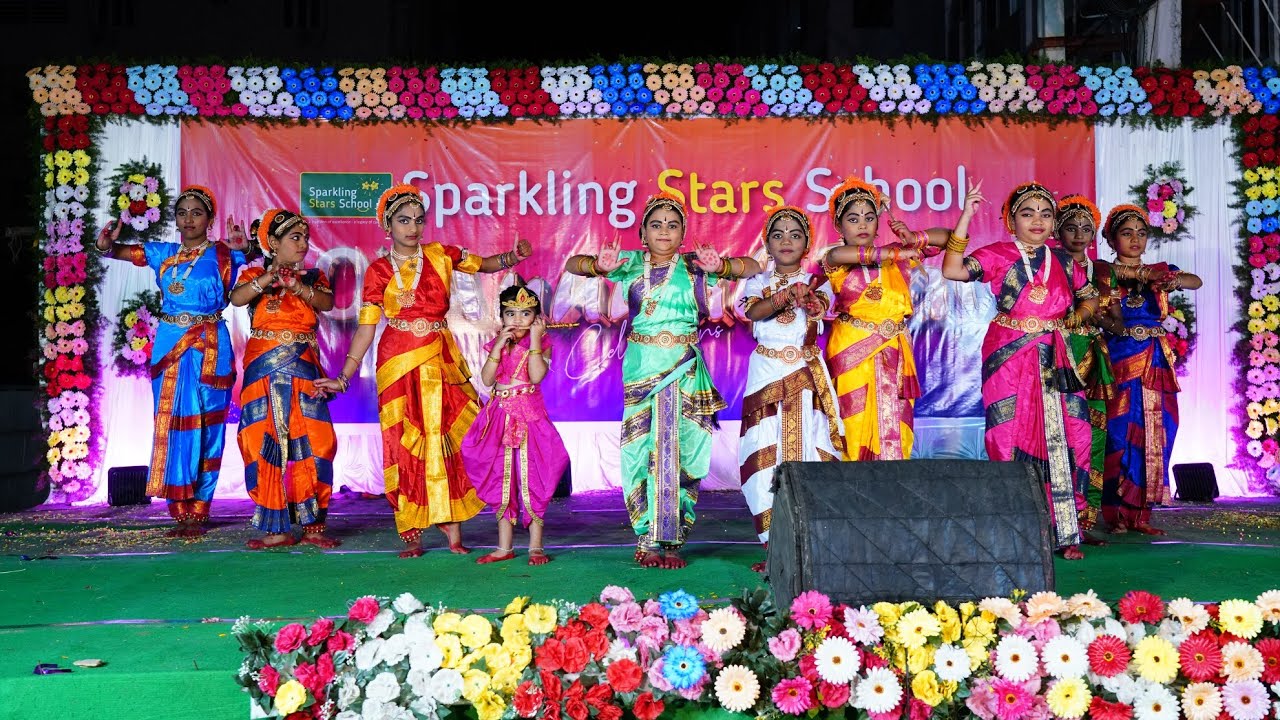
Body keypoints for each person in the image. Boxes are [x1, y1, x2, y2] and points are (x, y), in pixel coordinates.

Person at [316, 184, 531, 558]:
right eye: (403, 221)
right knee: (404, 443)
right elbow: (367, 327)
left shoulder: (442, 255)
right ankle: (411, 529)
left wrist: (512, 256)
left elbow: (483, 264)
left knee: (450, 437)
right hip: (398, 365)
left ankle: (453, 527)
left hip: (440, 358)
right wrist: (344, 376)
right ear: (388, 226)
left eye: (418, 220)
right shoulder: (379, 272)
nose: (413, 228)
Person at [563, 191, 763, 569]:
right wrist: (599, 266)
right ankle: (647, 536)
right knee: (640, 450)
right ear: (643, 232)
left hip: (684, 367)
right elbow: (574, 264)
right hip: (642, 369)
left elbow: (751, 267)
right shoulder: (630, 262)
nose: (664, 232)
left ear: (683, 232)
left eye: (673, 225)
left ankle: (671, 538)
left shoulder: (695, 264)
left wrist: (720, 265)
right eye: (656, 225)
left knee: (683, 450)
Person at [941, 181, 1099, 560]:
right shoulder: (997, 253)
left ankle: (1065, 528)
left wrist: (1077, 318)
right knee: (1008, 434)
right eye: (1028, 213)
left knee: (1071, 434)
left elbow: (1089, 295)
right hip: (1009, 354)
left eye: (1046, 214)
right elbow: (951, 270)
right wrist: (965, 215)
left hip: (1055, 354)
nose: (1038, 221)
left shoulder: (1064, 260)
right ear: (1011, 220)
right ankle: (1016, 528)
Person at [95, 185, 247, 537]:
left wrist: (246, 248)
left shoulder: (224, 254)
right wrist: (105, 244)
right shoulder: (161, 252)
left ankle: (201, 504)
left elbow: (255, 258)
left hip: (210, 343)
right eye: (182, 212)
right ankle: (177, 506)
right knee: (172, 418)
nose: (189, 219)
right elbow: (118, 251)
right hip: (170, 341)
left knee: (208, 422)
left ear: (209, 219)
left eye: (197, 212)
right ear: (175, 219)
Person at [821, 175, 980, 460]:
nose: (862, 224)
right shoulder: (836, 257)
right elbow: (860, 255)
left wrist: (915, 238)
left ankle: (893, 490)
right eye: (853, 219)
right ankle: (850, 493)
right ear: (838, 225)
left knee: (897, 421)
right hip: (852, 350)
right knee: (853, 421)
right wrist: (902, 250)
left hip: (895, 350)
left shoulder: (900, 254)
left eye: (869, 217)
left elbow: (949, 240)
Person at [738, 205, 844, 573]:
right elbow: (754, 313)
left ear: (807, 245)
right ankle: (772, 547)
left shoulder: (820, 283)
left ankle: (808, 545)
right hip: (766, 372)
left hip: (805, 371)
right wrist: (786, 295)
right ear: (766, 243)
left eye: (795, 235)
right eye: (778, 234)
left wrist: (807, 296)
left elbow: (822, 307)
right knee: (763, 450)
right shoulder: (756, 282)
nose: (786, 241)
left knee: (809, 450)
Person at [229, 209, 340, 550]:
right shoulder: (253, 274)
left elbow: (327, 302)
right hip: (263, 369)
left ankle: (313, 525)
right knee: (260, 442)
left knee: (317, 443)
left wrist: (297, 285)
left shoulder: (314, 275)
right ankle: (275, 527)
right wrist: (269, 277)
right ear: (273, 243)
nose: (304, 244)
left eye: (305, 238)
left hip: (304, 367)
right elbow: (236, 298)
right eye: (295, 238)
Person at [1094, 204, 1202, 535]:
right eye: (1127, 233)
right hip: (1119, 360)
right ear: (1112, 239)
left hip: (1155, 361)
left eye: (1141, 233)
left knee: (1159, 430)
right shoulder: (1102, 270)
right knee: (1118, 433)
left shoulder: (1160, 269)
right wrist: (1148, 276)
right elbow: (1119, 277)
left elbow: (1194, 281)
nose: (1135, 239)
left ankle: (1141, 514)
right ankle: (1113, 515)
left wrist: (1171, 280)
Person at [461, 283, 569, 566]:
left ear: (536, 318)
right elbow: (486, 380)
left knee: (531, 476)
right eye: (511, 314)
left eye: (525, 313)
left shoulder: (542, 344)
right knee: (501, 479)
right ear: (502, 317)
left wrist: (535, 340)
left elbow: (535, 377)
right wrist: (497, 347)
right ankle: (504, 547)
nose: (518, 320)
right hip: (497, 417)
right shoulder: (498, 344)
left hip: (529, 416)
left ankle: (535, 546)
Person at [1055, 195, 1114, 546]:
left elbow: (1115, 320)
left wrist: (1093, 314)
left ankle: (1084, 520)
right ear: (1057, 231)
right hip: (1059, 354)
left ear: (1094, 235)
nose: (1078, 234)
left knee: (1094, 439)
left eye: (1086, 229)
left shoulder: (1103, 271)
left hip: (1093, 360)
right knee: (1058, 437)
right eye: (1071, 227)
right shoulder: (1049, 264)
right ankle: (1056, 518)